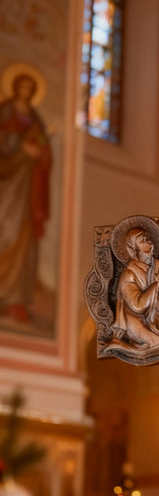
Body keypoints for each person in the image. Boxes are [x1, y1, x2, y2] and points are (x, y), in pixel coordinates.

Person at [0, 70, 51, 324]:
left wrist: (40, 153)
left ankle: (15, 300)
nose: (26, 91)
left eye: (31, 88)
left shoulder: (35, 119)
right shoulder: (6, 111)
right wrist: (21, 145)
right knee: (5, 231)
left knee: (24, 236)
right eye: (23, 86)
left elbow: (45, 150)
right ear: (15, 87)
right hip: (7, 180)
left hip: (29, 187)